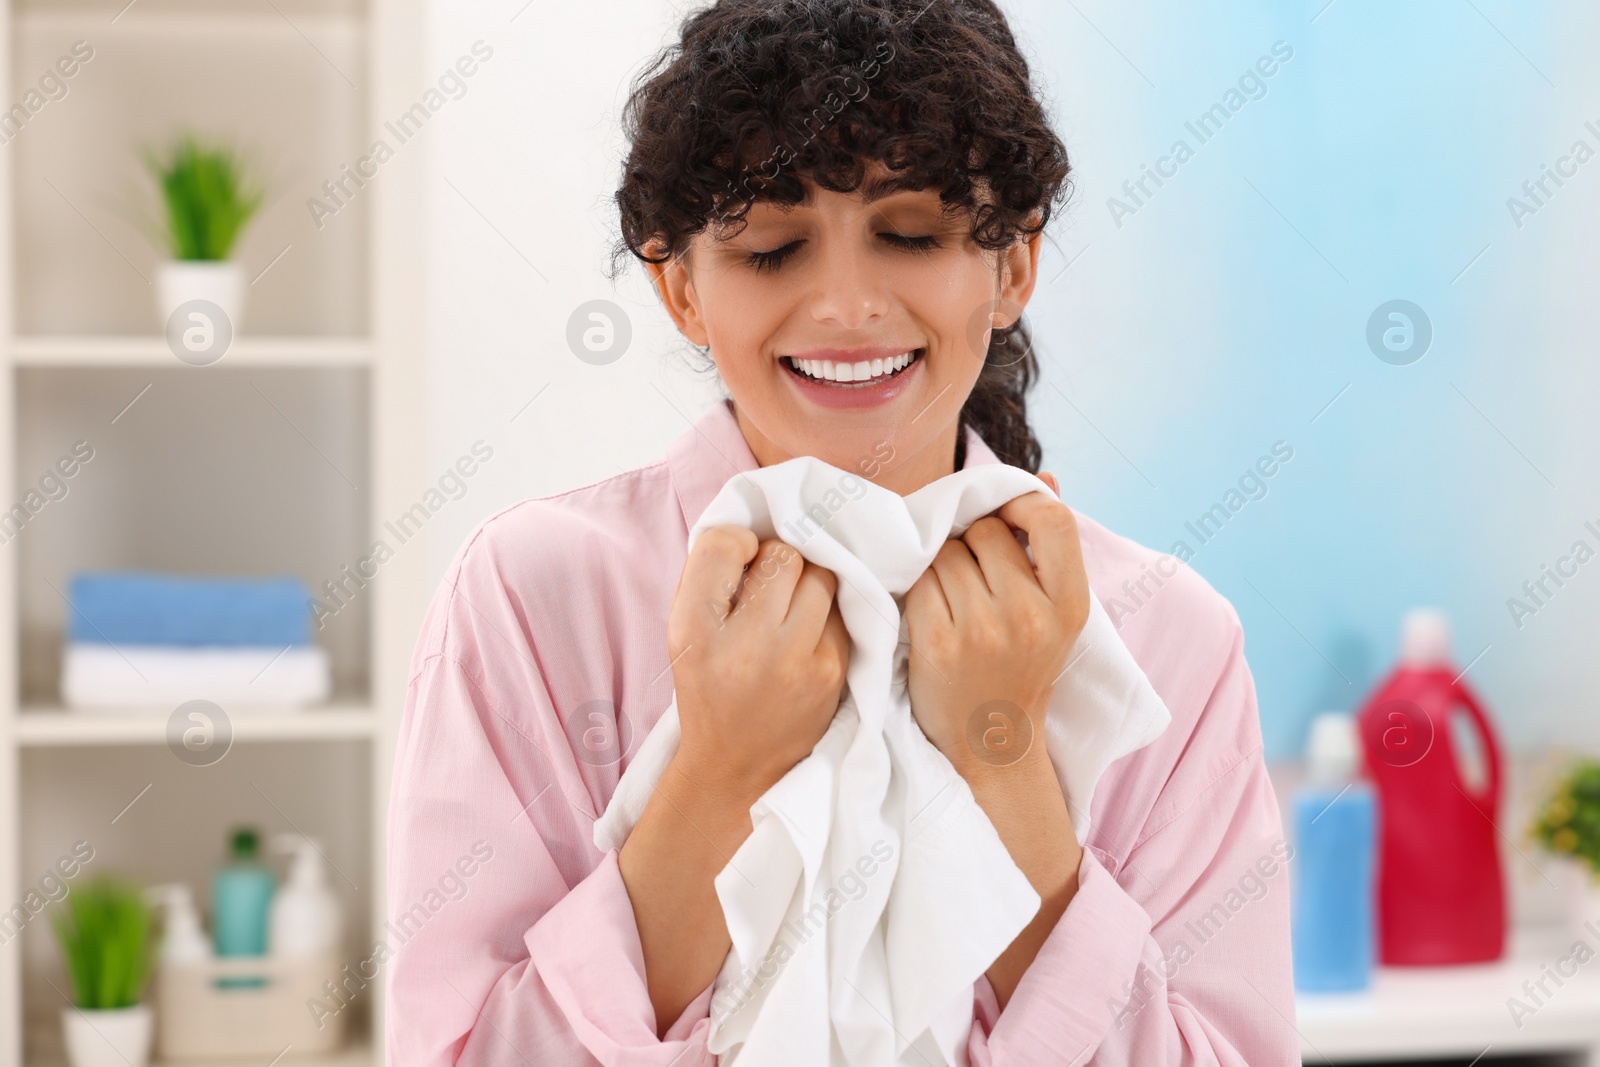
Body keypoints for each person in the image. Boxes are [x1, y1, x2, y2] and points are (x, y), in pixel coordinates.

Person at [386, 1, 1298, 1063]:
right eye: (772, 249)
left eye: (910, 236)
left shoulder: (1164, 635)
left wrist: (1004, 761)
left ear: (1012, 267)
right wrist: (718, 773)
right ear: (681, 286)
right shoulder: (530, 595)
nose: (846, 305)